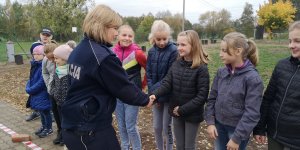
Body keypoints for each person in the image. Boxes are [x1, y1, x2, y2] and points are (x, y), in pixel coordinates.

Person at [60, 5, 154, 150]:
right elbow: (122, 87)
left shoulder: (79, 50)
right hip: (90, 129)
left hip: (73, 122)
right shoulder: (102, 57)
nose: (117, 33)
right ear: (101, 26)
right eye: (115, 28)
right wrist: (145, 99)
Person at [150, 30, 210, 150]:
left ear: (194, 46)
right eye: (178, 44)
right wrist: (154, 95)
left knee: (188, 146)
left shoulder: (201, 69)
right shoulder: (176, 64)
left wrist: (182, 110)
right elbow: (167, 83)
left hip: (191, 114)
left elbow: (202, 96)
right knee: (180, 146)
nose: (178, 48)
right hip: (176, 112)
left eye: (183, 45)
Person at [205, 32, 264, 150]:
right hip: (219, 125)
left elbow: (252, 113)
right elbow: (212, 98)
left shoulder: (253, 79)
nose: (220, 54)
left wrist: (236, 138)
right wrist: (210, 122)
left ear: (238, 51)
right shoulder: (221, 72)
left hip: (237, 131)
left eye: (224, 50)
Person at [253, 21, 300, 150]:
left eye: (297, 41)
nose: (291, 45)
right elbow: (268, 98)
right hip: (275, 135)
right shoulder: (281, 65)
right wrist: (260, 128)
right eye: (290, 41)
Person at [112, 25, 147, 150]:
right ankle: (125, 147)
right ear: (118, 35)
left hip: (133, 95)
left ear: (133, 37)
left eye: (130, 36)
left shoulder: (137, 53)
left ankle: (137, 148)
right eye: (124, 35)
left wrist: (142, 85)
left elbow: (148, 69)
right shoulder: (112, 52)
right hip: (117, 96)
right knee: (121, 125)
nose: (127, 38)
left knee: (130, 126)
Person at [146, 20, 178, 150]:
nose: (162, 42)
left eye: (164, 38)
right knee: (157, 127)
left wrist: (154, 93)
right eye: (158, 39)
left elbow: (169, 77)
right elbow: (148, 74)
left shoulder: (173, 51)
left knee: (167, 127)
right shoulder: (151, 51)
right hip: (156, 96)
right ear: (153, 37)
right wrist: (155, 96)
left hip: (169, 96)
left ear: (168, 36)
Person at [26, 27, 54, 122]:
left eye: (48, 35)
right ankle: (36, 111)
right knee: (36, 91)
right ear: (40, 35)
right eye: (43, 35)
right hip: (36, 71)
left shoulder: (53, 46)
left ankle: (51, 112)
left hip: (49, 73)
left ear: (51, 36)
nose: (45, 37)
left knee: (48, 93)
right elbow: (35, 57)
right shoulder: (35, 45)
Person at [26, 45, 53, 138]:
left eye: (38, 54)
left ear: (43, 55)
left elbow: (42, 82)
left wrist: (31, 89)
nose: (35, 56)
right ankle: (43, 126)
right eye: (34, 54)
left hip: (43, 93)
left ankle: (49, 128)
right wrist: (28, 86)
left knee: (46, 111)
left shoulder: (44, 65)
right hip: (36, 93)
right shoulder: (35, 64)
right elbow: (31, 78)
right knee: (41, 111)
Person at [50, 44, 73, 146]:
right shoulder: (58, 70)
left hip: (68, 104)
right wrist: (54, 93)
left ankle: (67, 138)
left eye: (57, 58)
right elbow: (53, 84)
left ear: (65, 59)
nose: (55, 61)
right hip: (58, 102)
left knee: (68, 122)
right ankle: (62, 135)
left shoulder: (71, 72)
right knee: (61, 121)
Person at [42, 43, 63, 144]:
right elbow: (44, 72)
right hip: (52, 91)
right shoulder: (46, 60)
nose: (51, 60)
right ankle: (59, 132)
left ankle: (65, 134)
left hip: (62, 92)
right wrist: (48, 85)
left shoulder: (63, 59)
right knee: (55, 112)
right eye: (48, 58)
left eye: (52, 57)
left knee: (62, 113)